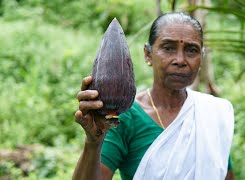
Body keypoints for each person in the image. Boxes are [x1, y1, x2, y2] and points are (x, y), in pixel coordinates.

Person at [73, 12, 235, 180]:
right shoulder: (125, 116)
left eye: (191, 50)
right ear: (148, 54)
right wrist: (93, 143)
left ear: (201, 58)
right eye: (168, 48)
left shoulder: (210, 114)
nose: (180, 59)